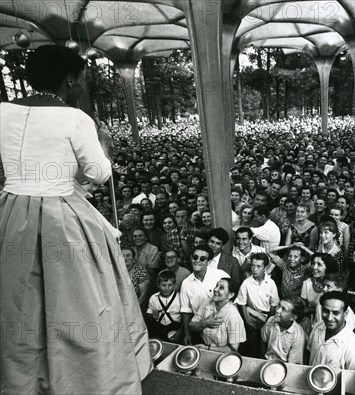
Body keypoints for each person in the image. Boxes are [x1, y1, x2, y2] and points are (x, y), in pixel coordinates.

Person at [0, 45, 151, 394]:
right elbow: (98, 174)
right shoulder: (76, 118)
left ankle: (26, 378)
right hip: (60, 217)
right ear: (69, 79)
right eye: (81, 79)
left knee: (21, 300)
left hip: (11, 213)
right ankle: (87, 378)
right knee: (77, 301)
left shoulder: (3, 111)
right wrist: (104, 145)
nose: (82, 86)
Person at [180, 245, 231, 345]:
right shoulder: (186, 283)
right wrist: (187, 334)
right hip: (201, 328)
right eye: (195, 257)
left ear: (209, 262)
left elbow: (231, 300)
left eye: (202, 259)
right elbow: (185, 311)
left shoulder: (221, 275)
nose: (197, 261)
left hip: (224, 326)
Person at [307, 291, 355, 370]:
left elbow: (353, 380)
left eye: (336, 313)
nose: (329, 318)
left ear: (345, 314)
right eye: (326, 311)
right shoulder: (318, 326)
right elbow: (309, 351)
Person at [196, 278, 247, 352]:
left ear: (231, 295)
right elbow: (191, 326)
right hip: (203, 346)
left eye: (221, 288)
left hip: (222, 355)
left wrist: (207, 348)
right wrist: (205, 323)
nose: (215, 289)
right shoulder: (207, 302)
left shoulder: (234, 317)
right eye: (216, 285)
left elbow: (233, 349)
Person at [261, 296, 307, 364]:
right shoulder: (271, 320)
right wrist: (263, 360)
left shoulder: (298, 335)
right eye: (279, 305)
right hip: (267, 362)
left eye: (283, 309)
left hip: (284, 368)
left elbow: (292, 365)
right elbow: (263, 341)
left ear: (292, 317)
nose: (277, 310)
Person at [145, 270, 182, 341]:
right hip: (158, 327)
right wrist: (152, 316)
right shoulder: (154, 298)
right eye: (163, 285)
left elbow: (184, 317)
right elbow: (148, 314)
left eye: (170, 285)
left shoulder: (179, 298)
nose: (167, 288)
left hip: (175, 327)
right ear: (158, 285)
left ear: (174, 285)